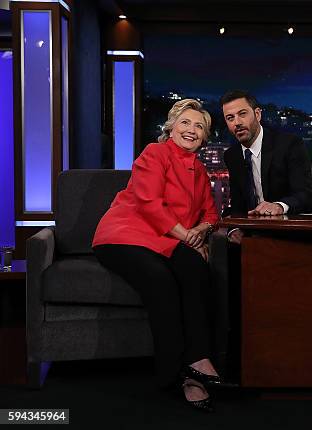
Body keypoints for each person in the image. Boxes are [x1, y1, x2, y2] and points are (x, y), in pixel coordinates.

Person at [92, 99, 221, 412]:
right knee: (160, 279)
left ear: (204, 138)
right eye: (186, 123)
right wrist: (187, 235)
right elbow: (149, 203)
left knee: (196, 269)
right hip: (125, 234)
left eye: (199, 127)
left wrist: (200, 232)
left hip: (167, 239)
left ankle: (197, 364)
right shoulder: (155, 152)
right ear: (172, 128)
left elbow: (212, 213)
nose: (192, 130)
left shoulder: (201, 171)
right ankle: (174, 374)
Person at [221, 90, 312, 242]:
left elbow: (305, 194)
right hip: (256, 233)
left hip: (293, 229)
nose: (237, 122)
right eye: (230, 118)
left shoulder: (289, 144)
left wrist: (279, 206)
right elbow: (238, 204)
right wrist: (235, 228)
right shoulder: (232, 156)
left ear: (258, 114)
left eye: (242, 114)